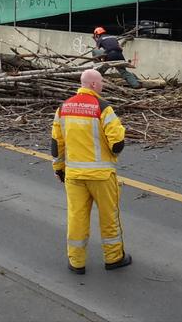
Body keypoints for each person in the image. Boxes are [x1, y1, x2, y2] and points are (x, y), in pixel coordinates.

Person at [51, 69, 131, 274]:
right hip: (101, 177)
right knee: (109, 217)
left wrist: (59, 169)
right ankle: (114, 258)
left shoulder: (63, 108)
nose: (103, 84)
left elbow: (56, 143)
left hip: (74, 176)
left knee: (76, 217)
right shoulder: (103, 108)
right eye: (101, 81)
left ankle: (76, 262)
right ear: (94, 85)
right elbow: (117, 143)